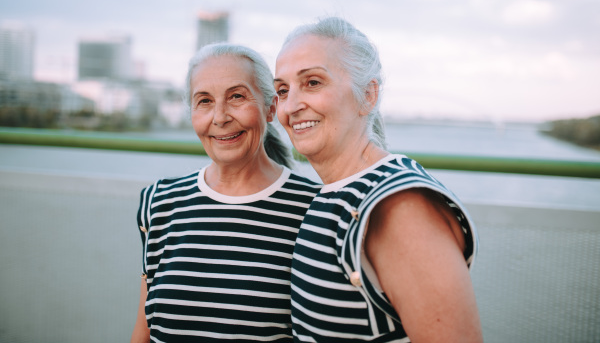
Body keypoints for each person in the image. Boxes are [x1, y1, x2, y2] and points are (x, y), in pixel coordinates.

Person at [273, 17, 483, 342]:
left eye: (313, 82)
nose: (291, 106)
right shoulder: (336, 195)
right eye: (282, 90)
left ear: (368, 95)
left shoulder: (398, 207)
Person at [131, 43, 321, 342]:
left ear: (270, 107)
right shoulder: (160, 203)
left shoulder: (315, 208)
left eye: (236, 96)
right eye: (204, 101)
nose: (219, 117)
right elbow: (144, 330)